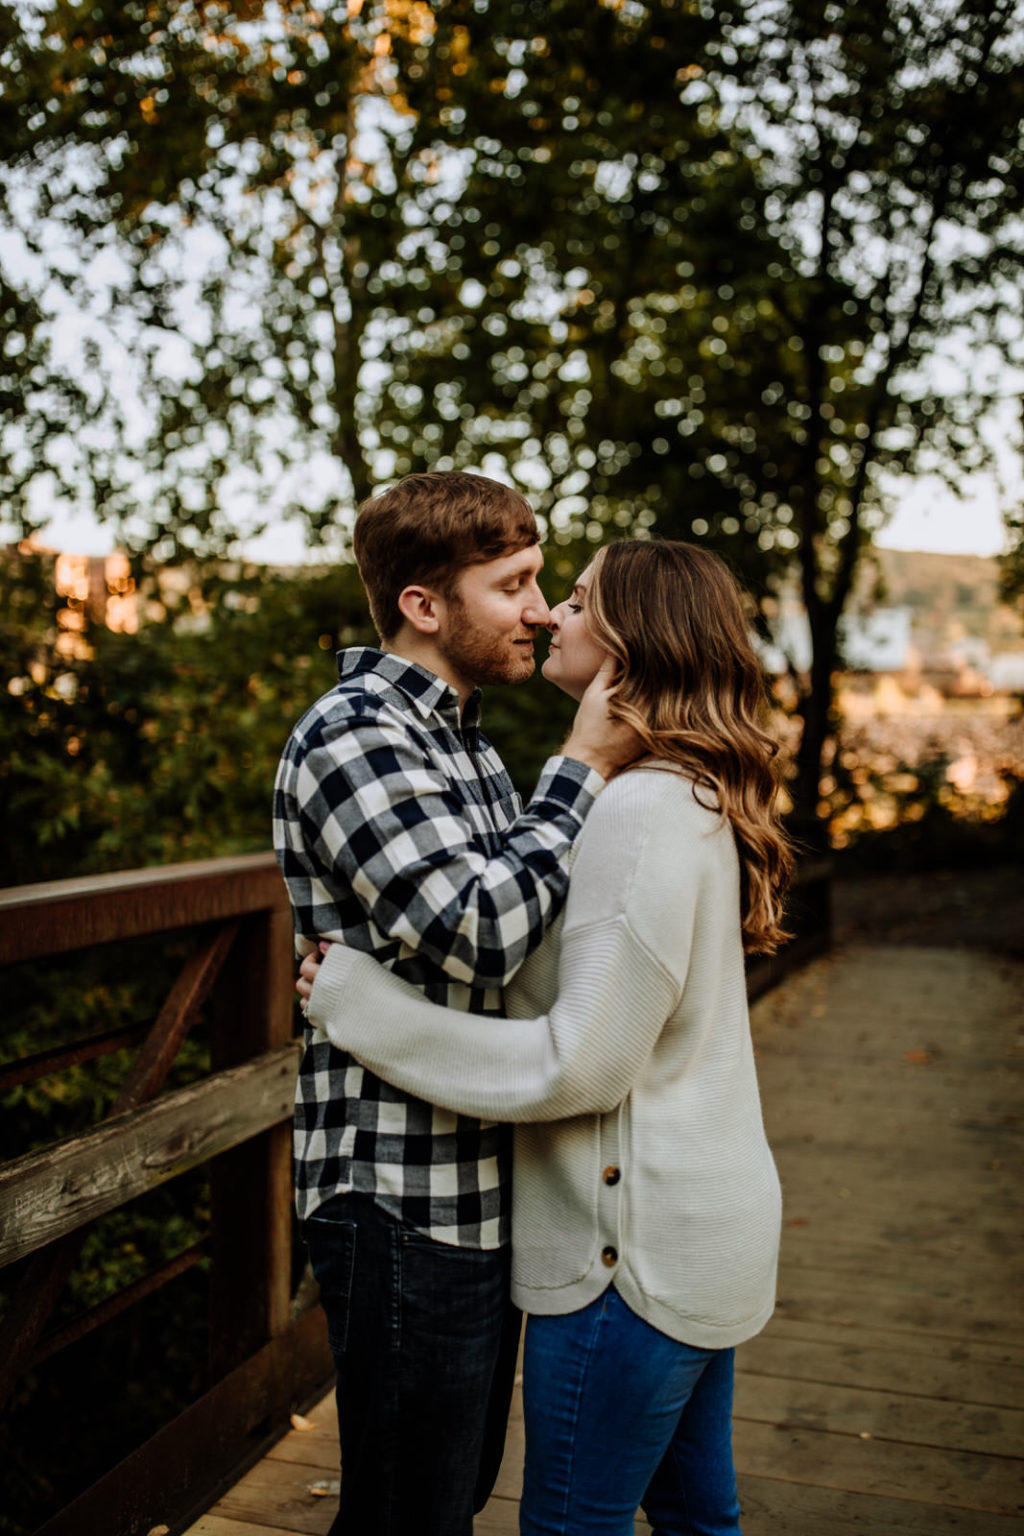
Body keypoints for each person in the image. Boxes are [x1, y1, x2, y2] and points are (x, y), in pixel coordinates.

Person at [297, 537, 794, 1536]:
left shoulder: (640, 808)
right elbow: (555, 967)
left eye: (570, 599)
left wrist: (358, 1003)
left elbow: (580, 1062)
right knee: (702, 1519)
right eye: (532, 591)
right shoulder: (675, 790)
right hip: (696, 1232)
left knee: (571, 1525)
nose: (548, 616)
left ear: (630, 641)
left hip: (632, 1257)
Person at [273, 470, 639, 1536]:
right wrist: (578, 766)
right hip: (399, 1192)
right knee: (408, 1511)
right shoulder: (357, 734)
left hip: (474, 1181)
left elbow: (526, 923)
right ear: (423, 606)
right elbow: (480, 934)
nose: (539, 608)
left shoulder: (462, 736)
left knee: (452, 1492)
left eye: (539, 580)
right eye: (512, 583)